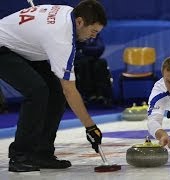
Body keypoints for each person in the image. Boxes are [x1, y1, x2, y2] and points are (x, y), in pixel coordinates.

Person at [0, 0, 107, 172]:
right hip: (4, 47)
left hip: (24, 47)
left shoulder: (70, 14)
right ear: (79, 22)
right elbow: (70, 90)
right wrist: (90, 127)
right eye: (93, 31)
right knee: (37, 91)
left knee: (55, 93)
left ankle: (42, 153)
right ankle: (20, 155)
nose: (93, 37)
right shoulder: (61, 37)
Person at [74, 33, 113, 107]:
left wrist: (84, 49)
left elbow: (100, 48)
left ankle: (101, 93)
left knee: (102, 62)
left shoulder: (95, 34)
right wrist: (90, 51)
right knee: (84, 63)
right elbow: (75, 51)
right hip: (79, 61)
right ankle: (87, 94)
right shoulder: (77, 35)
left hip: (93, 59)